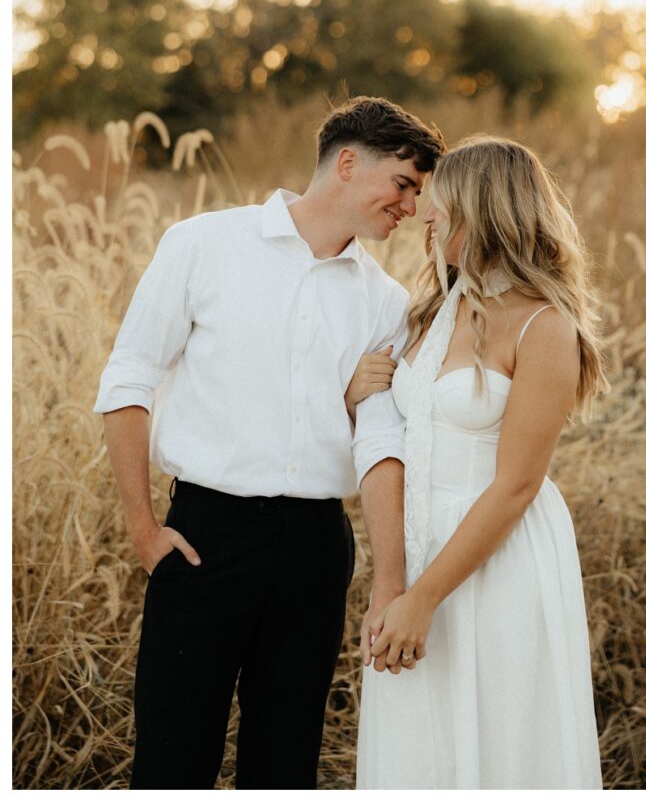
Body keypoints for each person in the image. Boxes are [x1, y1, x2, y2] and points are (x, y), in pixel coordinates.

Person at [95, 96, 440, 788]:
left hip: (316, 549)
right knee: (172, 756)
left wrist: (389, 577)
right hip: (203, 539)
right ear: (347, 162)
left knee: (284, 764)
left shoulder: (386, 301)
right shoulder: (202, 244)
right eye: (402, 184)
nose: (409, 206)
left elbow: (379, 441)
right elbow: (129, 377)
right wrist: (141, 527)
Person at [350, 136, 605, 787]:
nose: (427, 215)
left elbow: (518, 485)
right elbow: (394, 436)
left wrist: (424, 597)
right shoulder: (431, 312)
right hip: (417, 546)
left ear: (486, 210)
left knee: (498, 742)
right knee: (419, 743)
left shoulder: (544, 326)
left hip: (497, 558)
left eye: (443, 203)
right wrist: (395, 582)